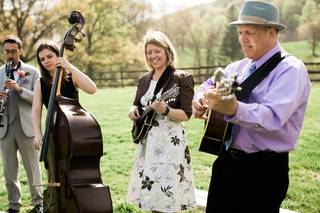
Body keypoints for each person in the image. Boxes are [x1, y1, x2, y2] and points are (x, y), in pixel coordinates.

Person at [192, 1, 311, 212]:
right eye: (239, 33)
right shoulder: (237, 66)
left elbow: (273, 116)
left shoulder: (290, 70)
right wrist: (200, 98)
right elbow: (209, 83)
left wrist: (233, 109)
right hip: (226, 163)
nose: (242, 39)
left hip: (263, 171)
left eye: (249, 32)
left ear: (271, 32)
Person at [127, 30, 196, 213]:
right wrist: (133, 111)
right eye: (149, 52)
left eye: (157, 51)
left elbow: (187, 115)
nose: (153, 56)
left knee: (167, 189)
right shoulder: (144, 80)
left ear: (167, 51)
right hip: (147, 141)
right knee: (151, 191)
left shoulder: (181, 78)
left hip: (169, 141)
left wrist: (167, 110)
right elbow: (136, 105)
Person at [0, 35, 43, 213]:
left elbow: (39, 100)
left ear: (20, 51)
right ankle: (13, 205)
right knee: (10, 172)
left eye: (13, 51)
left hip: (27, 127)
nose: (10, 55)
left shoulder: (32, 72)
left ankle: (38, 204)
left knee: (33, 169)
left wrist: (19, 89)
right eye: (6, 51)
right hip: (5, 128)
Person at [32, 40, 97, 151]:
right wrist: (37, 133)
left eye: (49, 56)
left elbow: (92, 89)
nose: (46, 61)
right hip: (53, 129)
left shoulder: (71, 76)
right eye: (42, 59)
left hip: (74, 127)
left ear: (58, 55)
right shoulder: (40, 82)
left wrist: (70, 66)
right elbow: (36, 111)